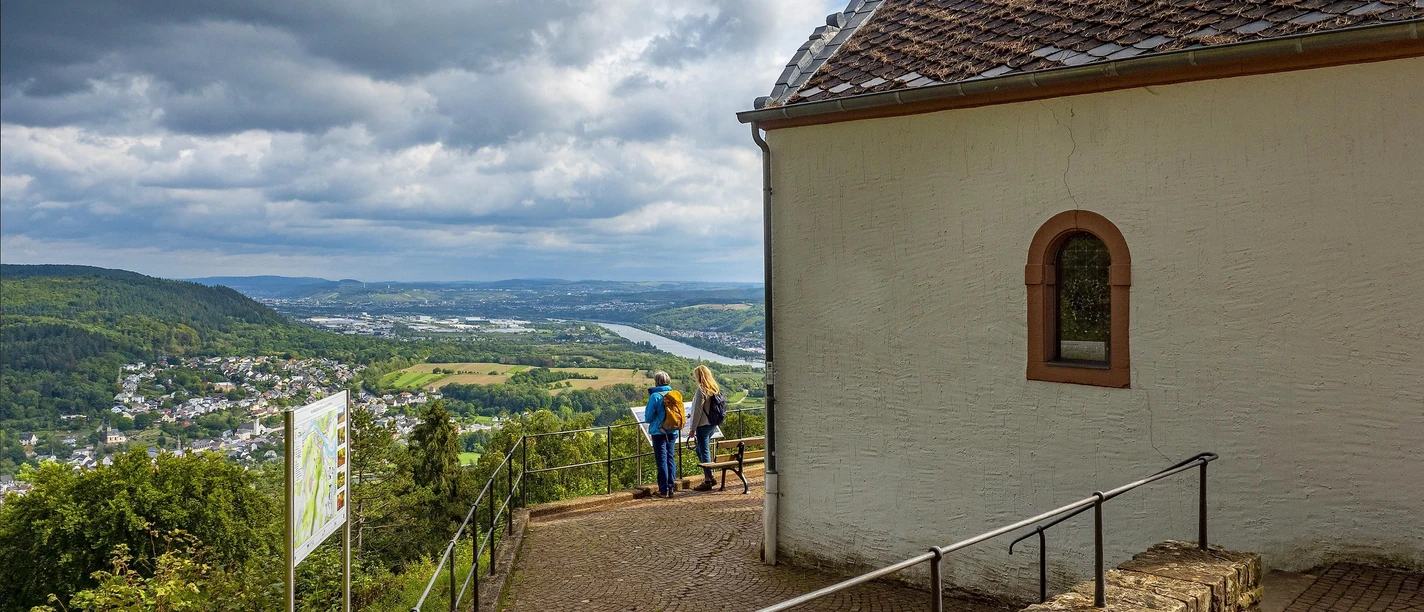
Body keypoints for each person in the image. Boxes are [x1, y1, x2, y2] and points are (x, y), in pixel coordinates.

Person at [645, 371, 678, 498]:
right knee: (671, 458)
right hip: (673, 430)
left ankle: (663, 489)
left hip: (658, 432)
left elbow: (648, 417)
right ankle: (671, 486)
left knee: (662, 460)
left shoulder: (655, 396)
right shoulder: (674, 394)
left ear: (656, 381)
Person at [689, 365, 720, 491]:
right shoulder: (714, 389)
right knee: (700, 449)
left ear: (699, 376)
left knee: (704, 451)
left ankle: (708, 480)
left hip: (702, 426)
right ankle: (710, 475)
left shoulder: (701, 390)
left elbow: (697, 411)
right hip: (712, 424)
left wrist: (692, 429)